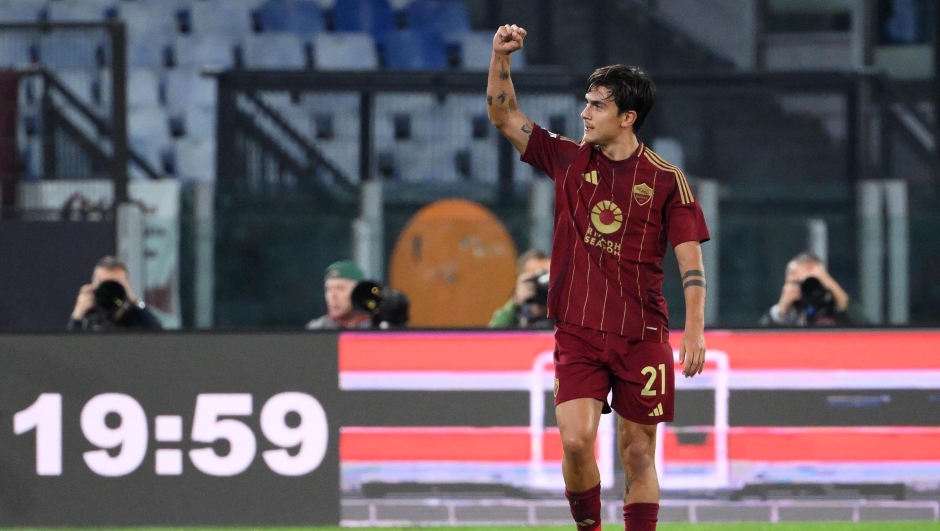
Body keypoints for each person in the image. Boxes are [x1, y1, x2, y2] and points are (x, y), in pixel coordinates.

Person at [487, 24, 710, 531]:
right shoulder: (568, 161)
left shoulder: (666, 179)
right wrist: (501, 57)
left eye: (597, 105)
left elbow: (690, 262)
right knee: (575, 441)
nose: (584, 113)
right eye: (586, 102)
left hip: (643, 334)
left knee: (637, 453)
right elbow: (504, 114)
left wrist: (694, 330)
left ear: (627, 117)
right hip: (579, 330)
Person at [760, 251, 864, 326]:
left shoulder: (833, 305)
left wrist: (832, 287)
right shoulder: (786, 314)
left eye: (813, 282)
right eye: (799, 282)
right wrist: (782, 308)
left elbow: (866, 330)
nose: (808, 287)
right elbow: (757, 342)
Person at [69, 256, 163, 330]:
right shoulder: (88, 318)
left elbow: (159, 337)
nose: (110, 292)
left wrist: (135, 301)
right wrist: (78, 314)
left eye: (115, 285)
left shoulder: (135, 317)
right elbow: (69, 348)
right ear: (93, 286)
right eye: (104, 285)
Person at [488, 248, 553, 329]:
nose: (541, 283)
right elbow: (493, 335)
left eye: (546, 277)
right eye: (535, 278)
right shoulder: (515, 314)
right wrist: (515, 303)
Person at [305, 260, 373, 330]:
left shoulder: (378, 328)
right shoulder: (316, 330)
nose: (333, 296)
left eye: (340, 288)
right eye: (328, 289)